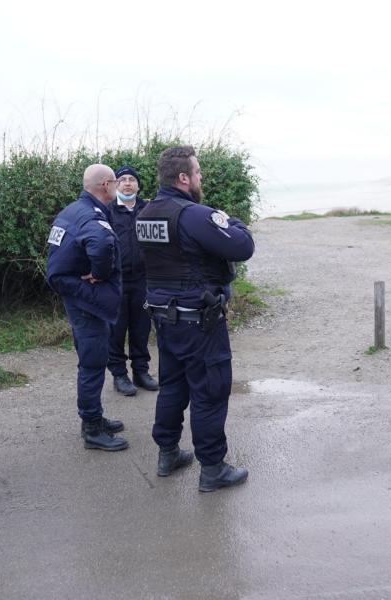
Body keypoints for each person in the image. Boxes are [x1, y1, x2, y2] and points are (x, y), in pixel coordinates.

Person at [136, 146, 255, 491]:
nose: (201, 178)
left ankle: (168, 453)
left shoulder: (145, 214)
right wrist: (232, 221)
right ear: (184, 177)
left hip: (164, 317)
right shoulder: (193, 214)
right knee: (210, 391)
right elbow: (242, 246)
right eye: (199, 172)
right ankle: (213, 469)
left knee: (172, 385)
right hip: (198, 321)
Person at [46, 164, 128, 452]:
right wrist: (101, 273)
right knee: (93, 360)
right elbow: (103, 244)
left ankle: (95, 416)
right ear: (106, 185)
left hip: (73, 291)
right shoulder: (92, 217)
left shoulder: (73, 210)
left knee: (92, 356)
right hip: (84, 296)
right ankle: (92, 427)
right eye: (116, 181)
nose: (118, 186)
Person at [106, 165, 159, 396]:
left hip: (143, 281)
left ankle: (141, 371)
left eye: (132, 179)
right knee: (116, 331)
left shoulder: (149, 210)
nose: (127, 183)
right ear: (116, 185)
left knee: (141, 328)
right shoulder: (106, 211)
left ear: (138, 185)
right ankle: (119, 374)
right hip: (116, 282)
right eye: (123, 179)